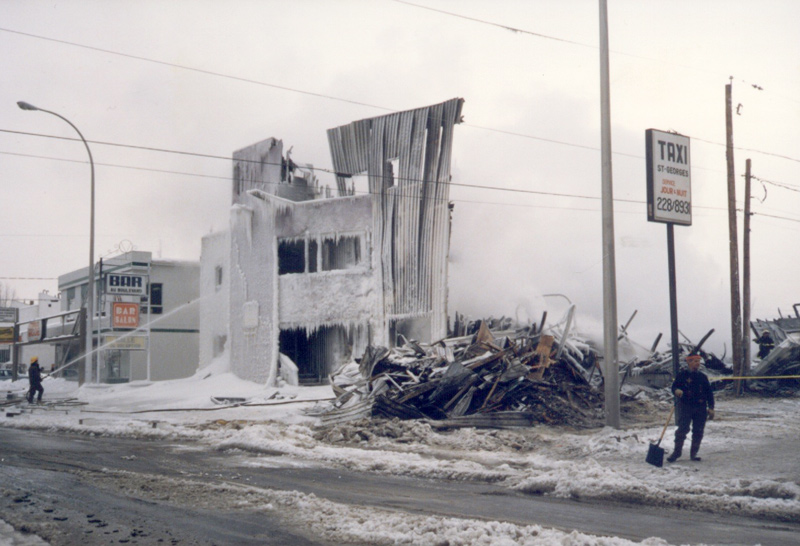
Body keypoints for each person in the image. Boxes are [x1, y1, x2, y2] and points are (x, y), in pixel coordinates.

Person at [667, 354, 715, 463]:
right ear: (688, 362)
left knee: (698, 431)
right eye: (694, 361)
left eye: (698, 361)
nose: (697, 363)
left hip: (701, 407)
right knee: (682, 430)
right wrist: (676, 391)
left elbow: (709, 394)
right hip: (686, 407)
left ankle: (694, 453)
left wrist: (711, 407)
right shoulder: (682, 375)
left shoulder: (703, 377)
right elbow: (674, 387)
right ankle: (677, 452)